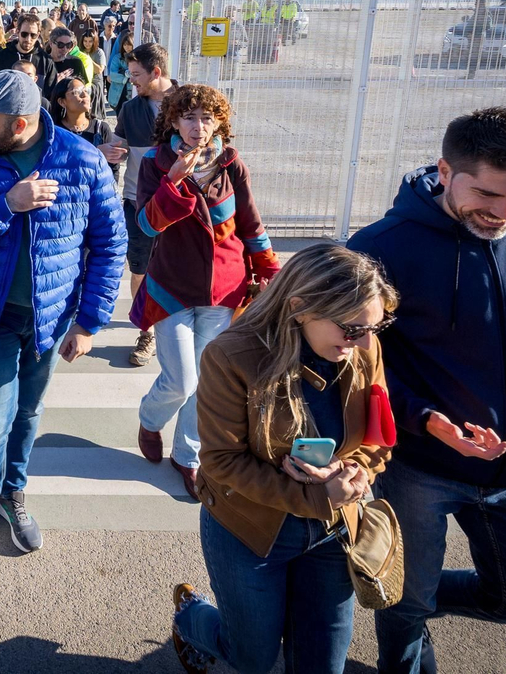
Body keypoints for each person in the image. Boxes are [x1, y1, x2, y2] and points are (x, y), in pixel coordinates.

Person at [348, 107, 506, 674]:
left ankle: (399, 590)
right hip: (419, 468)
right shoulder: (380, 248)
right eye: (488, 195)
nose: (504, 213)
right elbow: (358, 362)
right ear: (446, 171)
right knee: (405, 611)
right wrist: (424, 418)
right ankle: (406, 613)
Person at [171, 243, 399, 674]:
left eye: (375, 326)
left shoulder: (364, 348)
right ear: (299, 308)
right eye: (352, 329)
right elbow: (221, 462)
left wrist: (357, 469)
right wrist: (319, 497)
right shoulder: (231, 355)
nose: (366, 342)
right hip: (250, 529)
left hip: (333, 530)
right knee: (251, 657)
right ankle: (190, 618)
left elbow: (378, 437)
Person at [0, 71, 127, 561]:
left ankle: (13, 491)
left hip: (52, 319)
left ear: (19, 124)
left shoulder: (82, 160)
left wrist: (89, 322)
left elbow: (109, 245)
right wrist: (6, 205)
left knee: (29, 412)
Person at [132, 84, 281, 499]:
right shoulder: (156, 162)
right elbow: (146, 225)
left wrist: (270, 270)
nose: (199, 127)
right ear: (174, 122)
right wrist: (173, 181)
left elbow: (250, 223)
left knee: (207, 380)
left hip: (225, 288)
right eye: (190, 118)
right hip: (172, 286)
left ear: (219, 124)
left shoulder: (231, 163)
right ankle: (149, 419)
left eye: (207, 118)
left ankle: (187, 455)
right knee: (181, 380)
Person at [111, 43, 174, 367]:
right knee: (140, 270)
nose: (131, 79)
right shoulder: (130, 109)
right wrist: (110, 151)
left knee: (178, 269)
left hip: (180, 207)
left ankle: (176, 328)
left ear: (156, 72)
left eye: (136, 74)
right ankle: (146, 331)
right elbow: (118, 145)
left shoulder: (188, 104)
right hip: (138, 204)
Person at [0, 16, 57, 88]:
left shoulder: (46, 61)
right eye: (24, 34)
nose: (28, 39)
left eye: (33, 35)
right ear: (17, 31)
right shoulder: (0, 58)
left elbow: (51, 92)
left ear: (38, 35)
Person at [106, 29, 135, 111]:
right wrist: (126, 77)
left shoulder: (138, 59)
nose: (127, 47)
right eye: (124, 45)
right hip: (118, 95)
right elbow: (113, 75)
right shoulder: (117, 58)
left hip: (131, 94)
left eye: (129, 44)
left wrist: (123, 72)